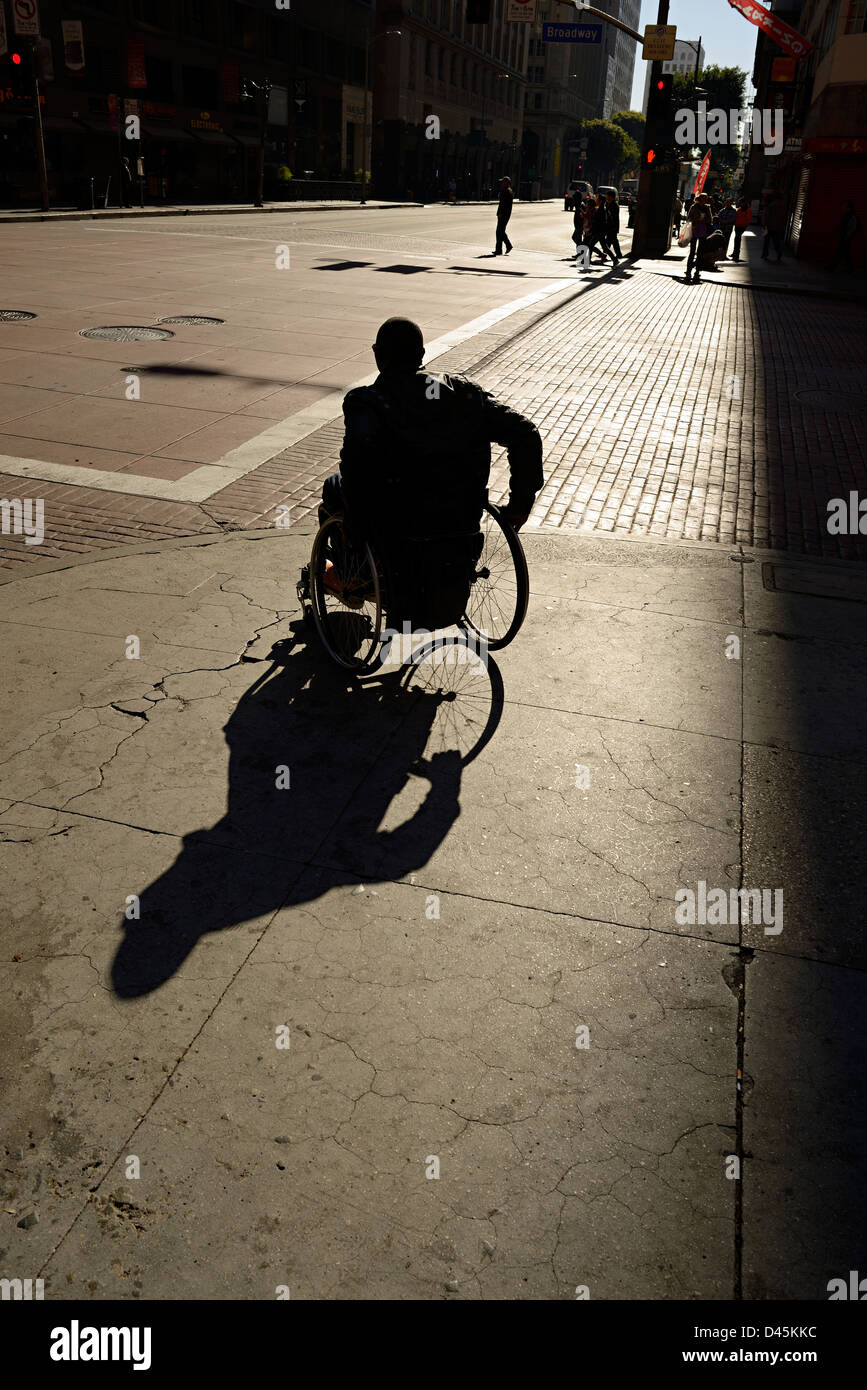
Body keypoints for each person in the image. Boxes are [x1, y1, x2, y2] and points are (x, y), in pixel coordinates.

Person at [312, 318, 543, 607]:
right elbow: (526, 434)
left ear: (377, 354)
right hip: (460, 522)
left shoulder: (367, 401)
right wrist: (520, 504)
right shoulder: (464, 393)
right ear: (422, 355)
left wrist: (355, 530)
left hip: (398, 526)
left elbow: (356, 464)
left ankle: (352, 573)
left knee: (335, 486)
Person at [827, 200, 860, 272]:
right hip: (844, 237)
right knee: (845, 253)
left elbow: (852, 228)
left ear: (849, 207)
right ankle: (850, 268)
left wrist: (846, 237)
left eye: (845, 206)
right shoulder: (847, 215)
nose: (843, 207)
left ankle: (832, 267)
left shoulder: (852, 216)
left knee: (839, 253)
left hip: (845, 238)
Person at [685, 193, 711, 283]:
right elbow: (688, 218)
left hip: (703, 231)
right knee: (692, 251)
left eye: (706, 199)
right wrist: (696, 220)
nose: (705, 200)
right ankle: (688, 270)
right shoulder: (694, 207)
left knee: (700, 252)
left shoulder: (707, 208)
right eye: (704, 198)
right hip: (694, 230)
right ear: (700, 199)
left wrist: (704, 219)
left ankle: (697, 271)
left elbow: (710, 220)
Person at [761, 190, 786, 262]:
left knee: (767, 242)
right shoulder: (782, 205)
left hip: (770, 226)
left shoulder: (771, 205)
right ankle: (779, 253)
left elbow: (767, 216)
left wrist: (764, 224)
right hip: (777, 227)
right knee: (776, 241)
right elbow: (783, 217)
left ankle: (765, 254)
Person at [494, 176, 513, 255]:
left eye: (503, 182)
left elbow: (502, 204)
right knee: (500, 231)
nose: (501, 183)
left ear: (506, 183)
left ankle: (507, 246)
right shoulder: (509, 191)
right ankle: (500, 249)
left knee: (499, 231)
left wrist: (499, 213)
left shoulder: (505, 191)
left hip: (503, 214)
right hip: (506, 214)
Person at [604, 190, 622, 261]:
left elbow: (613, 217)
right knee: (612, 240)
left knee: (610, 240)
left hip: (612, 226)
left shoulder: (614, 205)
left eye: (608, 196)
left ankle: (605, 254)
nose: (607, 197)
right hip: (610, 226)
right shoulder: (608, 204)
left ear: (611, 197)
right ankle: (618, 254)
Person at [732, 197, 751, 262]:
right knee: (736, 239)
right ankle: (735, 253)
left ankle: (736, 254)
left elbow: (748, 219)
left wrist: (745, 225)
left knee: (737, 239)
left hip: (742, 227)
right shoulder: (739, 209)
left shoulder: (748, 210)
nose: (739, 203)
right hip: (737, 226)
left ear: (744, 203)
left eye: (740, 202)